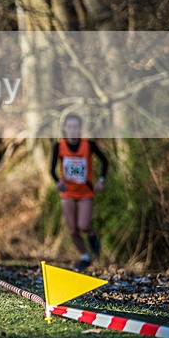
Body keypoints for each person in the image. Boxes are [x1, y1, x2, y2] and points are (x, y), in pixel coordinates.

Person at [50, 113, 109, 271]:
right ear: (64, 129)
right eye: (69, 127)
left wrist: (101, 180)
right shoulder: (59, 146)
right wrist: (57, 182)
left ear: (80, 129)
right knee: (72, 229)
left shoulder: (88, 145)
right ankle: (85, 256)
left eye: (76, 127)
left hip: (85, 193)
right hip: (68, 193)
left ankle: (92, 236)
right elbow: (52, 170)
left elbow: (104, 161)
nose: (73, 130)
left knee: (83, 225)